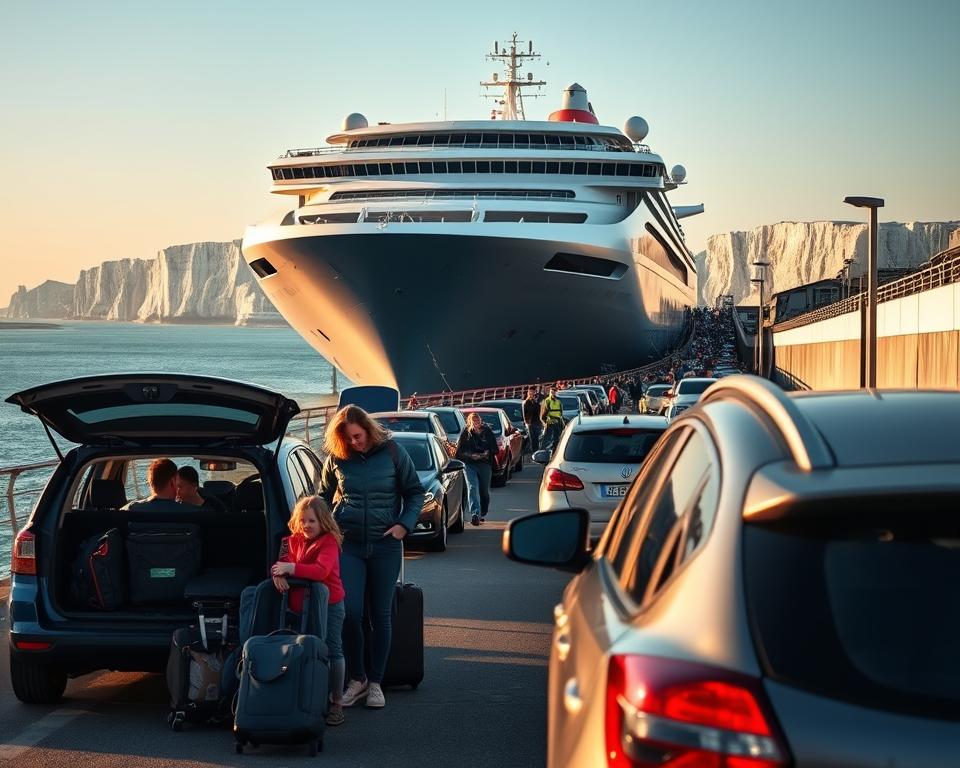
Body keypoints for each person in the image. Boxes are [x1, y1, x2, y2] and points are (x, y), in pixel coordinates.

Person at [318, 405, 424, 710]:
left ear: (367, 429)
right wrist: (324, 528)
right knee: (350, 613)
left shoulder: (393, 452)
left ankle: (376, 682)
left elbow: (415, 492)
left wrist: (405, 524)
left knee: (381, 615)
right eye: (348, 439)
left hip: (385, 544)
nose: (354, 443)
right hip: (348, 544)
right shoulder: (337, 457)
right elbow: (323, 496)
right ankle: (358, 678)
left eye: (357, 436)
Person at [271, 495, 347, 727]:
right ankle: (301, 697)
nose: (306, 525)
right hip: (297, 607)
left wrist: (290, 568)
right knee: (298, 650)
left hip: (329, 605)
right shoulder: (288, 541)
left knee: (332, 650)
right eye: (302, 520)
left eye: (312, 521)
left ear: (322, 521)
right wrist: (277, 574)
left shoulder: (330, 542)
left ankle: (336, 702)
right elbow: (278, 564)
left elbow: (321, 571)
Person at [456, 412, 498, 526]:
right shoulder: (466, 433)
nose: (476, 423)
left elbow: (495, 449)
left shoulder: (487, 432)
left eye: (478, 421)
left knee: (484, 491)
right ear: (469, 422)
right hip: (470, 464)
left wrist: (486, 453)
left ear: (480, 421)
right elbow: (459, 452)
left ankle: (482, 512)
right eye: (474, 421)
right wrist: (470, 456)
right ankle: (475, 514)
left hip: (485, 464)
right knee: (472, 487)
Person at [540, 387, 564, 454]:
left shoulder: (558, 401)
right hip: (550, 422)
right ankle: (542, 452)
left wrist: (560, 420)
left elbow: (561, 412)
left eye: (554, 392)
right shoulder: (547, 401)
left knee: (557, 437)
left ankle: (555, 451)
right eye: (551, 392)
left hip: (557, 421)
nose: (553, 393)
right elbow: (543, 414)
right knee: (547, 438)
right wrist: (545, 422)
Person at [522, 388, 542, 453]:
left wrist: (536, 402)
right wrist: (526, 422)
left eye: (532, 392)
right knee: (532, 439)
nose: (531, 394)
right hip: (530, 423)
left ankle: (537, 451)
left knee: (537, 438)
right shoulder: (526, 402)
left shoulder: (537, 401)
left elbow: (540, 411)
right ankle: (534, 452)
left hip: (537, 422)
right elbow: (525, 414)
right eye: (530, 393)